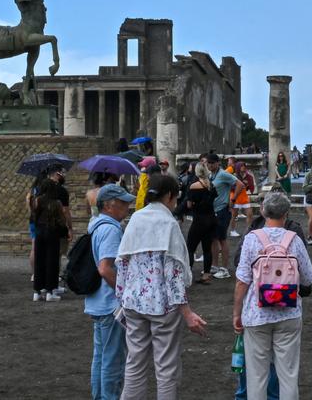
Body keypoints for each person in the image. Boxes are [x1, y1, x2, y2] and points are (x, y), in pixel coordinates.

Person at [116, 174, 208, 399]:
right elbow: (173, 274)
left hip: (133, 301)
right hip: (162, 305)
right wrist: (187, 313)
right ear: (170, 196)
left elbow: (123, 264)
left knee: (134, 363)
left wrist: (121, 298)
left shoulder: (135, 219)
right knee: (166, 367)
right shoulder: (169, 224)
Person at [233, 192, 312, 400]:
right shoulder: (294, 239)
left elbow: (242, 280)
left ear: (263, 210)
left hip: (256, 313)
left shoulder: (252, 239)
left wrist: (237, 313)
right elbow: (308, 277)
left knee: (256, 375)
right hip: (288, 313)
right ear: (286, 214)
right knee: (288, 374)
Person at [85, 183, 135, 400]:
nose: (127, 205)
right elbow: (105, 268)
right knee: (113, 360)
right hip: (110, 304)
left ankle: (99, 396)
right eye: (122, 202)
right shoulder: (111, 229)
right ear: (109, 205)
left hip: (97, 301)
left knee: (101, 356)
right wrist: (124, 293)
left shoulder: (96, 225)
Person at [31, 165, 71, 302]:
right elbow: (61, 220)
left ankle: (37, 292)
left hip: (39, 232)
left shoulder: (38, 201)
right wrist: (66, 232)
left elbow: (34, 215)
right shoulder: (57, 203)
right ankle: (50, 291)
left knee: (39, 261)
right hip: (52, 233)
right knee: (52, 261)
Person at [185, 163, 218, 285]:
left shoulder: (194, 186)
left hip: (199, 219)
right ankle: (206, 275)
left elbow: (189, 204)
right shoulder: (211, 186)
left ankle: (188, 273)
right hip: (211, 218)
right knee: (207, 248)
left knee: (190, 247)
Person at [208, 154, 238, 279]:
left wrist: (233, 198)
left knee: (222, 239)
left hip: (222, 210)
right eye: (208, 163)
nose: (209, 165)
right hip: (213, 210)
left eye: (211, 163)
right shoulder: (211, 175)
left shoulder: (223, 174)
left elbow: (239, 184)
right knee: (213, 239)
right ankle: (215, 265)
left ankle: (225, 268)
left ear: (217, 163)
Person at [231, 162, 255, 236]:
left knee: (250, 214)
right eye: (242, 166)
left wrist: (247, 185)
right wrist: (241, 184)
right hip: (235, 197)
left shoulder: (248, 176)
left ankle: (249, 230)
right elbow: (231, 187)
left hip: (244, 198)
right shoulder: (234, 176)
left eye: (244, 166)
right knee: (234, 215)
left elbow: (249, 188)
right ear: (238, 167)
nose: (243, 167)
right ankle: (232, 231)